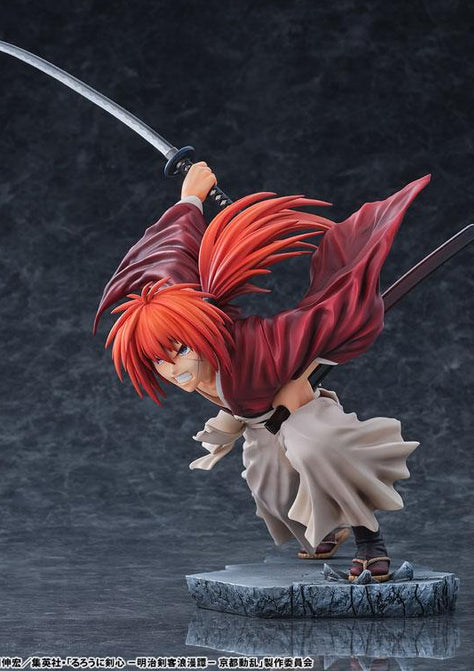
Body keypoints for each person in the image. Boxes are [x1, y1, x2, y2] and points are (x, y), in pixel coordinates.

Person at [94, 162, 426, 581]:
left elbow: (318, 323)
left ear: (199, 331)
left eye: (181, 350)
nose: (173, 368)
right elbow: (167, 260)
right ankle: (328, 529)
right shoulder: (184, 331)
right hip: (258, 421)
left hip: (301, 413)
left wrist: (352, 301)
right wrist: (190, 199)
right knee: (269, 482)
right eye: (160, 360)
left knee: (319, 450)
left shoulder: (256, 343)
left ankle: (370, 541)